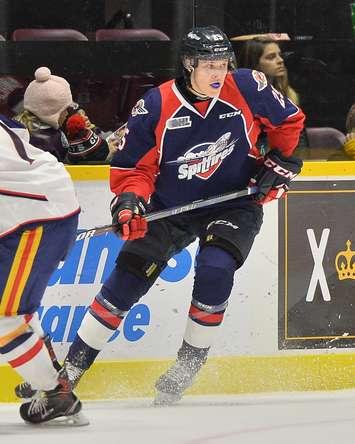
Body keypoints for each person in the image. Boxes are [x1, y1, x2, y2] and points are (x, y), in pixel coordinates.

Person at [17, 25, 305, 414]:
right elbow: (133, 168)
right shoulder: (156, 105)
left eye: (223, 63)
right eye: (208, 65)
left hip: (233, 204)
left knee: (216, 269)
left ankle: (188, 364)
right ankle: (67, 377)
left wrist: (282, 161)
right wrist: (129, 205)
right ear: (189, 65)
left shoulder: (248, 87)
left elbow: (289, 122)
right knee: (126, 280)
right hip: (170, 206)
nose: (218, 73)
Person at [0, 114, 86, 425]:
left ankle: (55, 393)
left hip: (33, 218)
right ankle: (43, 374)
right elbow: (18, 131)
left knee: (4, 319)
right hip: (38, 207)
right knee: (14, 311)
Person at [13, 67, 73, 162]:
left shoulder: (13, 128)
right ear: (51, 111)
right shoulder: (51, 140)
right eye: (64, 109)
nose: (67, 114)